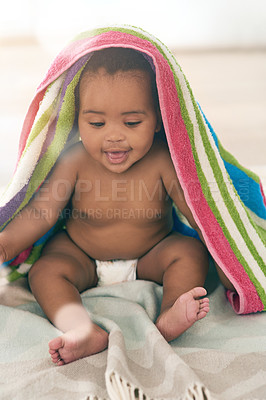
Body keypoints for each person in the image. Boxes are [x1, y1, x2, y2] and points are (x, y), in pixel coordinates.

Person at [0, 47, 232, 366]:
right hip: (81, 255)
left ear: (158, 119)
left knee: (190, 252)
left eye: (132, 122)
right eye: (96, 123)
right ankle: (83, 331)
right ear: (77, 119)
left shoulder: (164, 160)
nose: (114, 137)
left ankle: (171, 315)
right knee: (45, 272)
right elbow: (42, 214)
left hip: (151, 255)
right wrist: (5, 244)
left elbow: (200, 216)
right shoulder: (74, 161)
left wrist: (229, 262)